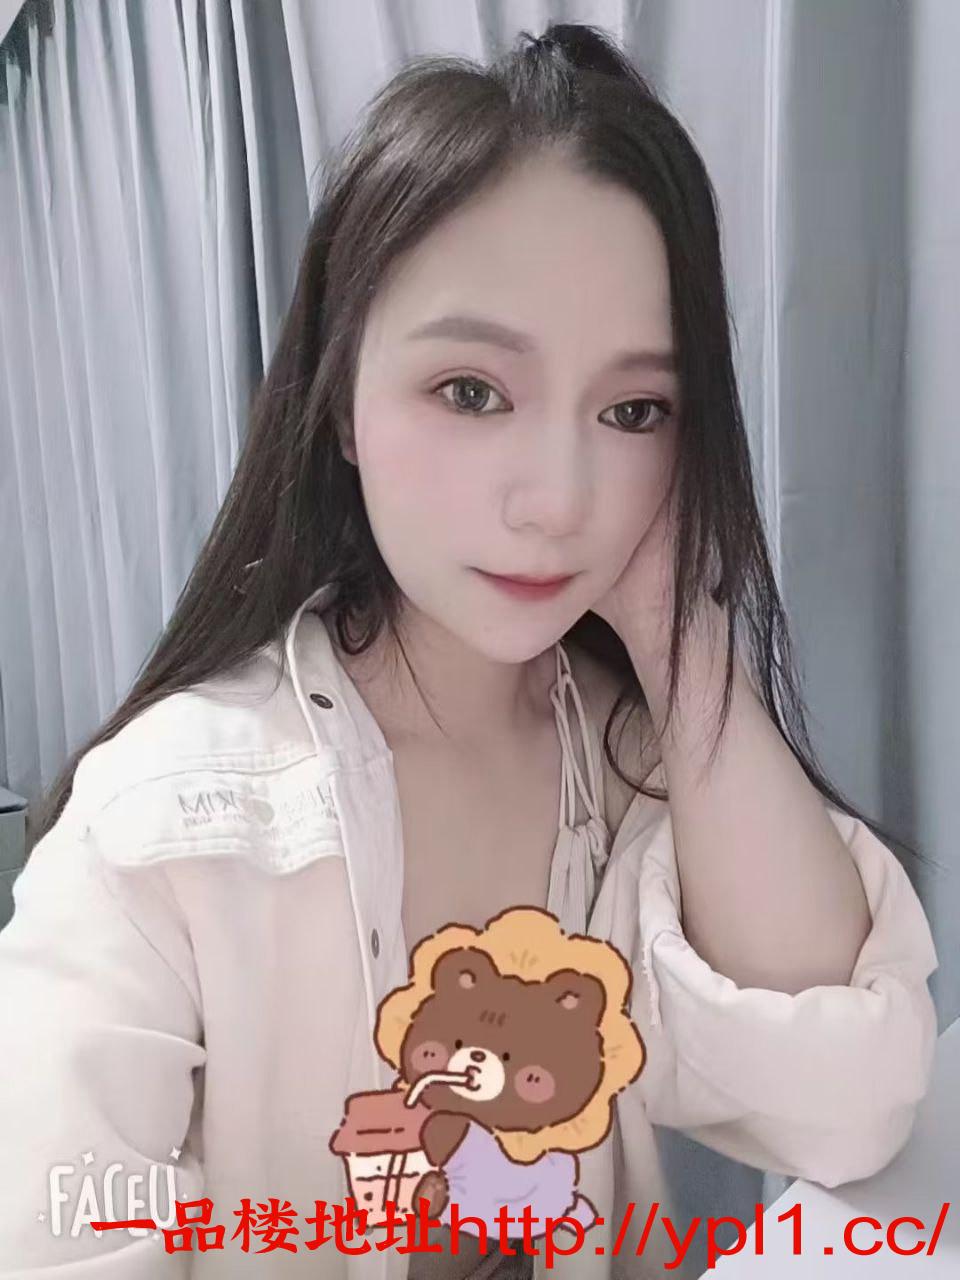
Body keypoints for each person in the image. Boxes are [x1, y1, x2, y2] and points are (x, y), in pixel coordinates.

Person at [0, 22, 939, 1280]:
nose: (558, 498)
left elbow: (844, 1104)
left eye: (633, 409)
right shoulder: (161, 824)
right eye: (472, 392)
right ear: (341, 399)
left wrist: (681, 631)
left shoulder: (626, 765)